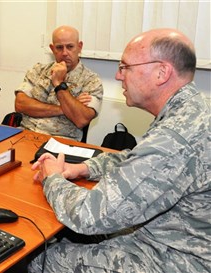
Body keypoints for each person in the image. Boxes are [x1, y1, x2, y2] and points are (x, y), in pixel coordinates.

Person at [28, 29, 210, 273]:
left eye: (125, 67)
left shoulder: (175, 139)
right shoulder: (191, 109)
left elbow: (90, 214)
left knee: (40, 259)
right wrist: (83, 168)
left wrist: (53, 177)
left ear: (161, 72)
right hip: (172, 235)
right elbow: (136, 159)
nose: (117, 75)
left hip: (176, 257)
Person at [14, 26, 103, 141]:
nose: (65, 53)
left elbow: (81, 119)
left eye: (70, 47)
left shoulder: (91, 81)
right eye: (59, 47)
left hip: (60, 142)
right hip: (25, 134)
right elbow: (20, 104)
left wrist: (59, 84)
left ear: (79, 47)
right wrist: (65, 108)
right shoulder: (38, 70)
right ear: (52, 49)